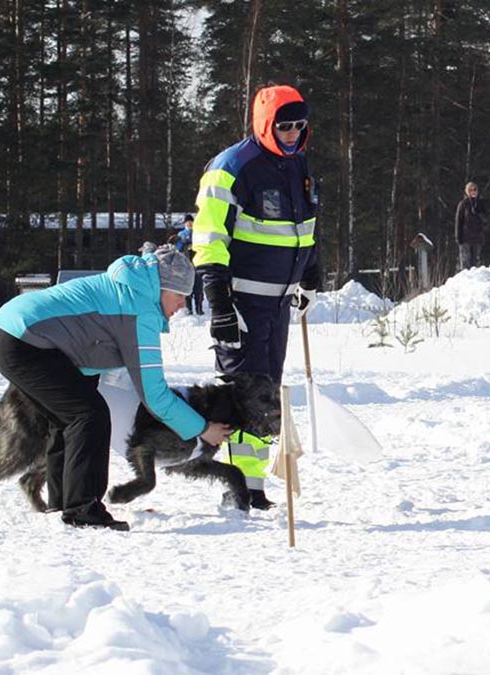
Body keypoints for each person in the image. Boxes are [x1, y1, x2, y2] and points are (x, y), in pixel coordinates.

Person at [0, 245, 233, 530]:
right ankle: (83, 510)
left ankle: (64, 503)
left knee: (68, 417)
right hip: (22, 340)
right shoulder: (139, 308)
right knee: (89, 415)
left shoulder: (129, 290)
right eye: (179, 296)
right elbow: (155, 395)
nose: (181, 306)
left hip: (15, 333)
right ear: (162, 287)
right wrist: (202, 428)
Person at [191, 84, 320, 510]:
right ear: (265, 125)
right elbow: (209, 238)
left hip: (279, 301)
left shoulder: (297, 163)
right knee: (242, 392)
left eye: (300, 126)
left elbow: (306, 225)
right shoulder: (232, 167)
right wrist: (219, 302)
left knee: (268, 396)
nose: (293, 134)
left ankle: (254, 485)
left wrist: (309, 276)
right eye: (284, 126)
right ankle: (234, 488)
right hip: (242, 301)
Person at [168, 214, 203, 315]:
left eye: (191, 222)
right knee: (188, 287)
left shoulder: (198, 233)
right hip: (186, 264)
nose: (189, 224)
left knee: (198, 287)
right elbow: (177, 248)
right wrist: (184, 244)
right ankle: (189, 309)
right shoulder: (181, 234)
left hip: (197, 263)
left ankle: (199, 308)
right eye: (187, 222)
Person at [455, 181, 487, 270]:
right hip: (465, 238)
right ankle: (466, 281)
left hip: (477, 237)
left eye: (475, 189)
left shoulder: (480, 203)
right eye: (471, 190)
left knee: (476, 262)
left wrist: (480, 214)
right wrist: (458, 237)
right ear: (467, 191)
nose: (473, 191)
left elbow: (486, 220)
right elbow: (459, 221)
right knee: (466, 262)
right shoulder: (463, 204)